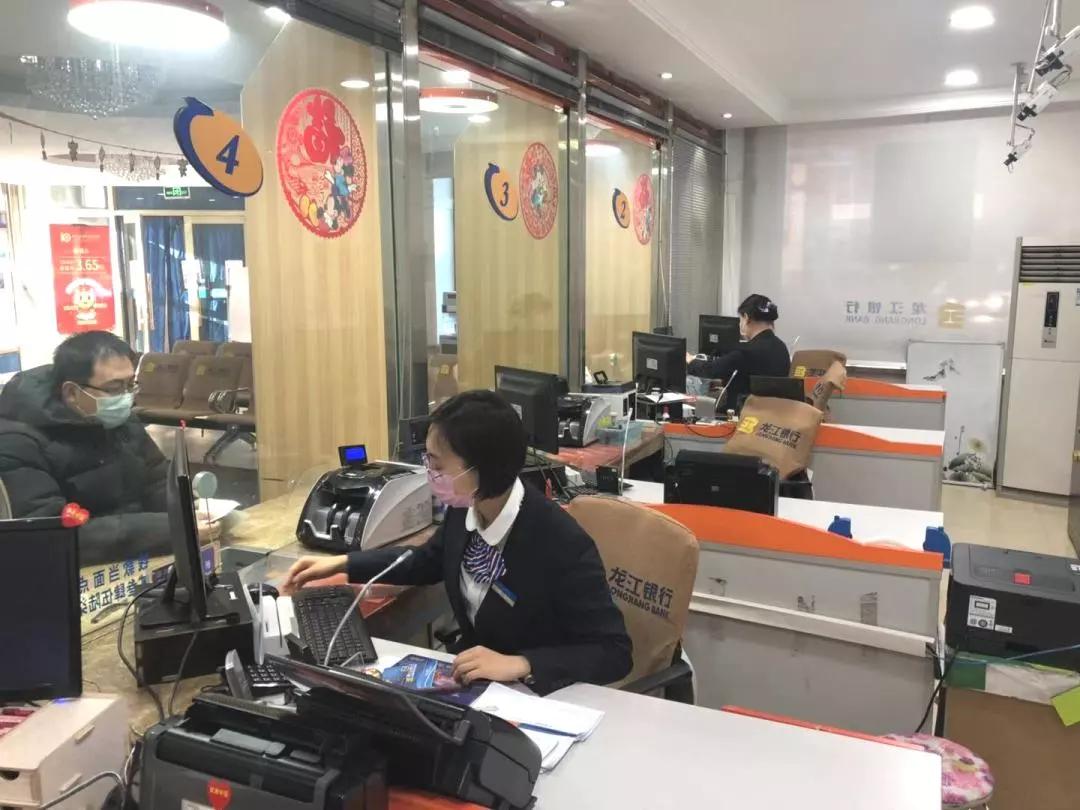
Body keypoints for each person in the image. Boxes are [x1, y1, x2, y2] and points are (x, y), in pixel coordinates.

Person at [285, 390, 633, 696]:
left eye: (437, 464)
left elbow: (614, 652)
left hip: (538, 694)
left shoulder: (560, 543)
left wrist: (521, 663)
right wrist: (344, 564)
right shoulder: (467, 509)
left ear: (481, 469)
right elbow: (427, 561)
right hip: (475, 683)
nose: (429, 472)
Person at [0, 331, 173, 563]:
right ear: (72, 393)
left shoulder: (122, 422)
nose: (126, 398)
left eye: (130, 385)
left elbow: (159, 482)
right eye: (114, 388)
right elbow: (53, 532)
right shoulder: (17, 442)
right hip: (77, 568)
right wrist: (171, 529)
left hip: (143, 551)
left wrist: (189, 511)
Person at [687, 294, 790, 410]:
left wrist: (689, 360)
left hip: (739, 413)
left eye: (740, 319)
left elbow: (709, 370)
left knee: (690, 405)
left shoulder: (746, 351)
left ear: (746, 317)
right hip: (771, 413)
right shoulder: (782, 348)